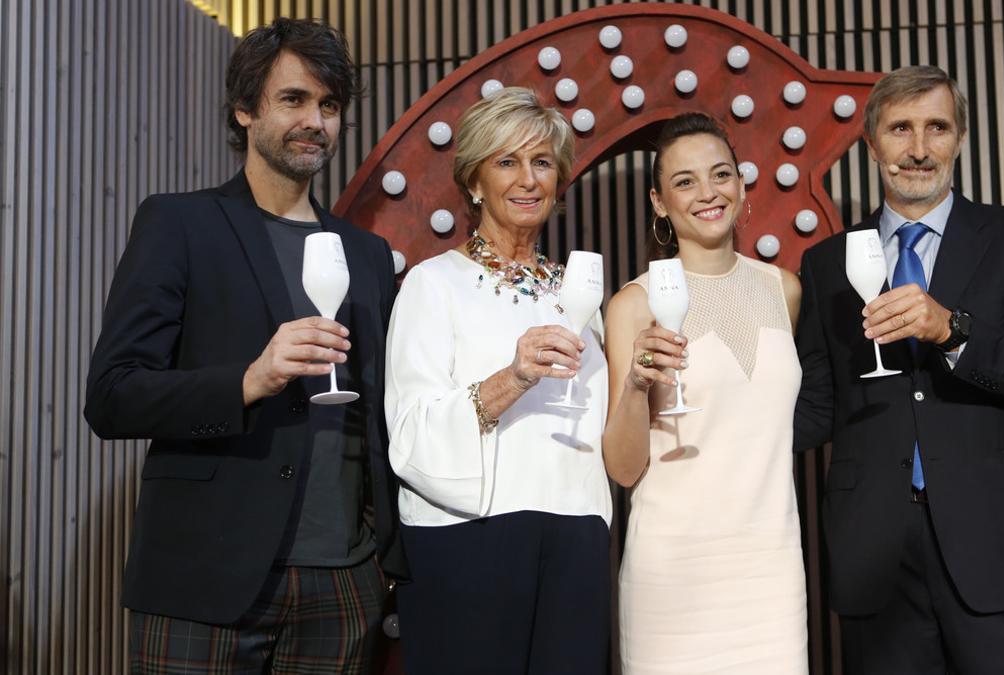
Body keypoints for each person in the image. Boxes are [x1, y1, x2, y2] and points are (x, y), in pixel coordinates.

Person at [84, 18, 403, 672]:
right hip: (206, 577)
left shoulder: (367, 256)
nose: (316, 119)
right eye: (294, 99)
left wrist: (380, 559)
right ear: (243, 109)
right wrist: (249, 379)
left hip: (343, 584)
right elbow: (112, 396)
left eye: (330, 105)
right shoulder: (180, 224)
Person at [793, 65, 1004, 673]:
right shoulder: (825, 264)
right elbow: (817, 409)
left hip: (999, 543)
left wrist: (953, 330)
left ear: (959, 139)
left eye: (937, 128)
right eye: (900, 129)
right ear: (872, 144)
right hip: (876, 552)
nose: (919, 150)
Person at [384, 86, 611, 674]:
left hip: (576, 536)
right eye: (506, 162)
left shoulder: (580, 292)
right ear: (474, 182)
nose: (528, 179)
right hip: (468, 540)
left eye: (541, 163)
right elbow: (408, 435)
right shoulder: (432, 284)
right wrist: (511, 378)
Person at [604, 112, 808, 674]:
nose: (707, 193)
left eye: (721, 174)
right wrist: (635, 386)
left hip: (771, 572)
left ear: (741, 185)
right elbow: (623, 469)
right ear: (659, 201)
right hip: (674, 573)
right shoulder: (633, 306)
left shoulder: (783, 289)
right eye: (685, 181)